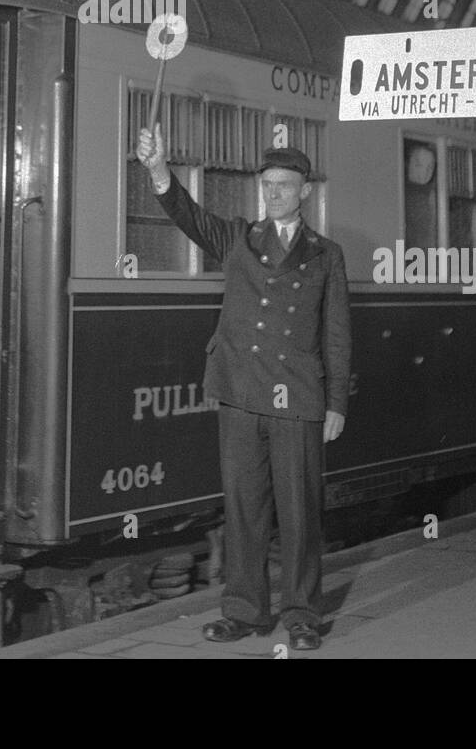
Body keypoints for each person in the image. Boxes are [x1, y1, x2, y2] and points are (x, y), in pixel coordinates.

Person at [136, 125, 350, 651]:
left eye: (284, 184)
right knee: (243, 505)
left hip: (298, 397)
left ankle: (302, 614)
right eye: (267, 184)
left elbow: (338, 333)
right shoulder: (237, 238)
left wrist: (337, 403)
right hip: (241, 392)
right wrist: (159, 170)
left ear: (304, 191)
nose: (273, 193)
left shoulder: (326, 254)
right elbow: (188, 215)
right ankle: (244, 611)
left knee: (299, 509)